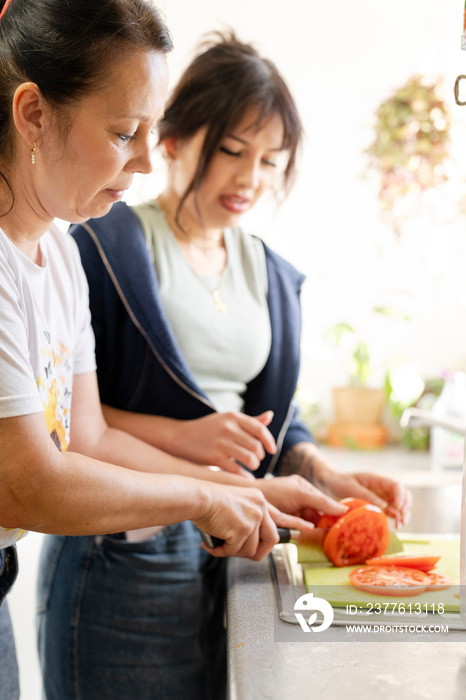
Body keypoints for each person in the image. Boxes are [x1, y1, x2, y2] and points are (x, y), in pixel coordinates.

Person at [38, 31, 413, 700]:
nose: (250, 179)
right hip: (131, 549)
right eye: (233, 151)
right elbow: (70, 424)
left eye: (271, 161)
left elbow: (273, 417)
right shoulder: (104, 245)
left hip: (243, 536)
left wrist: (322, 472)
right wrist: (183, 436)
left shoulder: (268, 270)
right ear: (173, 139)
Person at [0, 4, 331, 698]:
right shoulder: (49, 255)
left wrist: (252, 488)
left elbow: (85, 437)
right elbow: (30, 483)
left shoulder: (57, 256)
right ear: (32, 113)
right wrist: (203, 497)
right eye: (125, 132)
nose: (148, 161)